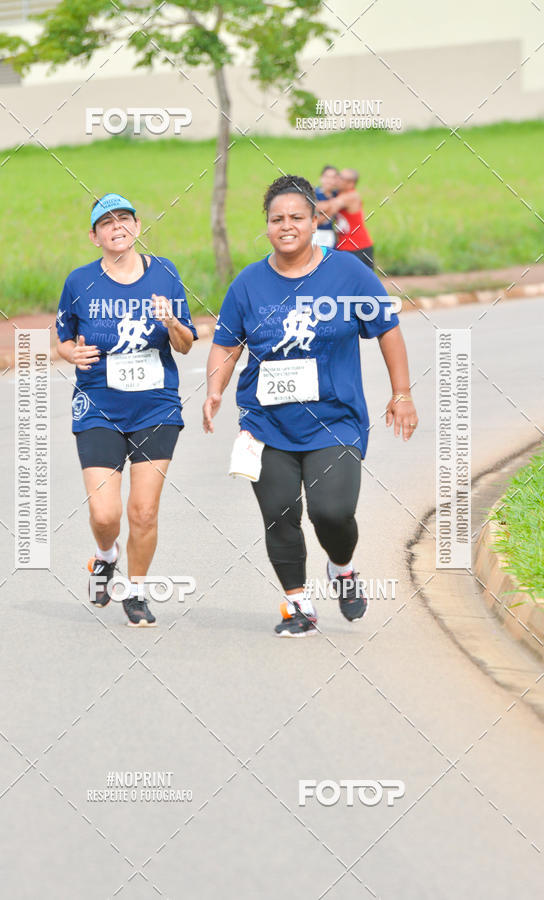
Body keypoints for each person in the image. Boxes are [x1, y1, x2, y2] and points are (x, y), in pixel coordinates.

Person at [203, 175, 417, 637]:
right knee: (279, 513)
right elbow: (226, 344)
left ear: (315, 220)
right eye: (276, 219)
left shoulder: (348, 273)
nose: (286, 226)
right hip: (266, 422)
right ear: (266, 225)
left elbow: (387, 328)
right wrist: (214, 389)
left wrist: (401, 393)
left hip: (335, 421)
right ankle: (298, 604)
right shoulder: (248, 283)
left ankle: (342, 567)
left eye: (296, 217)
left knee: (331, 512)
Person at [56, 192, 197, 627]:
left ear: (137, 226)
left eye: (124, 219)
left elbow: (186, 344)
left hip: (156, 406)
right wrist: (70, 354)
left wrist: (170, 321)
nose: (117, 227)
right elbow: (63, 338)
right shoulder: (80, 282)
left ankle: (135, 592)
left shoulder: (165, 273)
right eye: (106, 223)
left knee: (143, 511)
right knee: (105, 514)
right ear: (94, 236)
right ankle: (105, 555)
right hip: (98, 405)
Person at [317, 168, 374, 269]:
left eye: (341, 178)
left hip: (357, 247)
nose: (337, 180)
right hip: (345, 246)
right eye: (338, 176)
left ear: (351, 184)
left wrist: (305, 203)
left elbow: (327, 208)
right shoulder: (339, 194)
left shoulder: (350, 196)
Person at [313, 165, 339, 248]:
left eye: (333, 178)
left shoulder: (336, 194)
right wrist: (332, 206)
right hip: (316, 234)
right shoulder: (314, 193)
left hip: (330, 234)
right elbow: (317, 207)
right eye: (327, 177)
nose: (330, 181)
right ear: (321, 178)